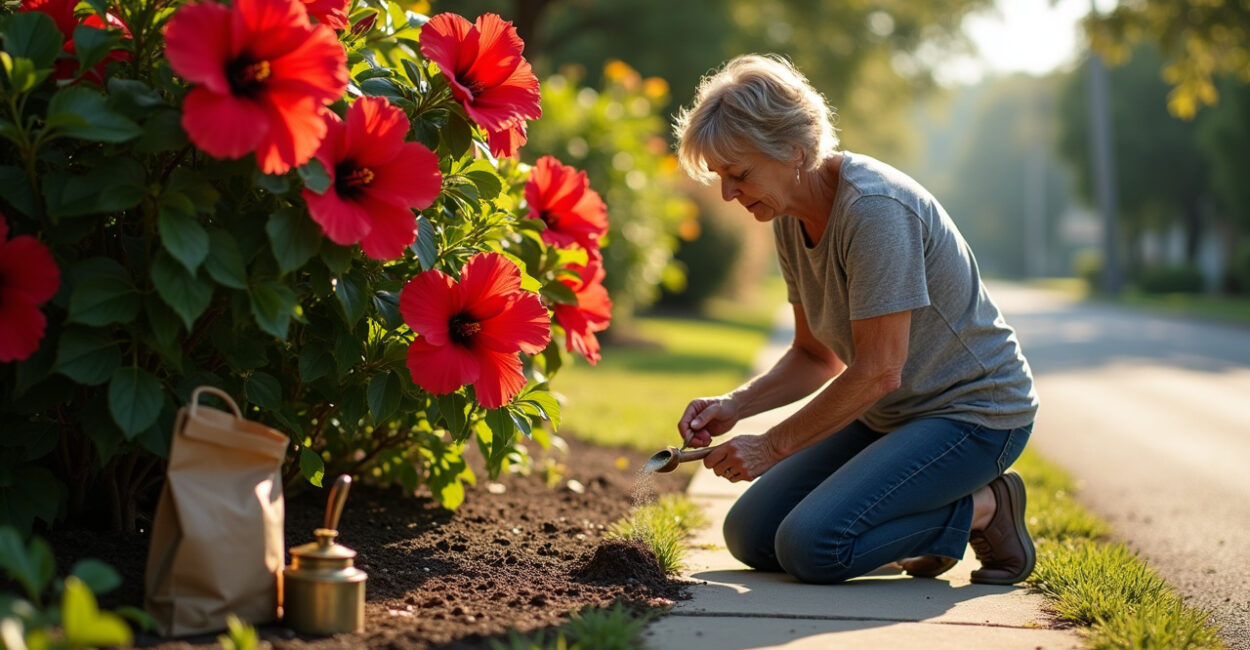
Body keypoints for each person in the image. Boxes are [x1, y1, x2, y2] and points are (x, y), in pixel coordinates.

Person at [672, 54, 1039, 585]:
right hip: (888, 416)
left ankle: (987, 508)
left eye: (739, 174)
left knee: (812, 546)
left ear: (794, 150)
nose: (728, 193)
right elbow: (813, 355)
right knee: (750, 535)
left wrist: (770, 445)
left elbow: (878, 370)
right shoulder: (787, 212)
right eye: (722, 178)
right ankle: (907, 524)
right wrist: (737, 405)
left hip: (974, 417)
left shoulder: (874, 210)